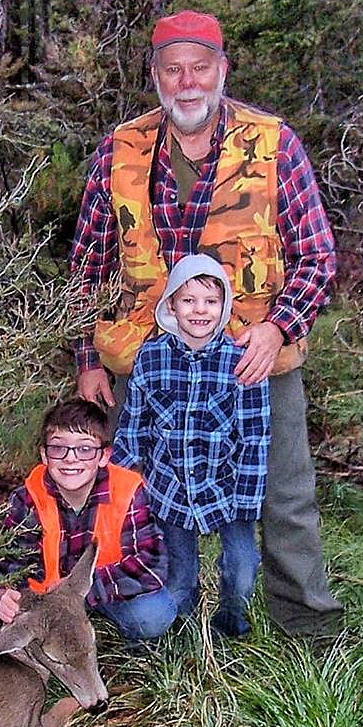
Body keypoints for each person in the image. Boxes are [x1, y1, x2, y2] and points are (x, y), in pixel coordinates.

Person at [70, 8, 342, 636]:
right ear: (156, 76)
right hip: (148, 365)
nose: (186, 82)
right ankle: (150, 617)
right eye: (173, 70)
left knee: (286, 499)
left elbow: (318, 256)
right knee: (138, 487)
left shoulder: (273, 144)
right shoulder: (120, 150)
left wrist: (279, 327)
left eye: (199, 68)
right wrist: (88, 361)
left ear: (221, 69)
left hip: (252, 359)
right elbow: (87, 266)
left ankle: (308, 632)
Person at [113, 254, 269, 638]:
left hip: (227, 488)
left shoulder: (242, 361)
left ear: (225, 307)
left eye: (211, 302)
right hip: (171, 490)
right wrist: (119, 490)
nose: (200, 311)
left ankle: (231, 623)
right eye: (189, 301)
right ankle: (183, 632)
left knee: (243, 567)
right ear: (171, 306)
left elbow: (255, 437)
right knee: (180, 575)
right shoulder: (151, 358)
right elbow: (134, 428)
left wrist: (246, 502)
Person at [0, 398, 177, 653]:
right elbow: (6, 562)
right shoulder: (28, 497)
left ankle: (110, 646)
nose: (71, 459)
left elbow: (150, 564)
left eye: (84, 449)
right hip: (43, 599)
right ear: (44, 455)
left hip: (99, 593)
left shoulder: (128, 491)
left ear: (104, 456)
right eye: (59, 449)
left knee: (155, 613)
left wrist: (77, 592)